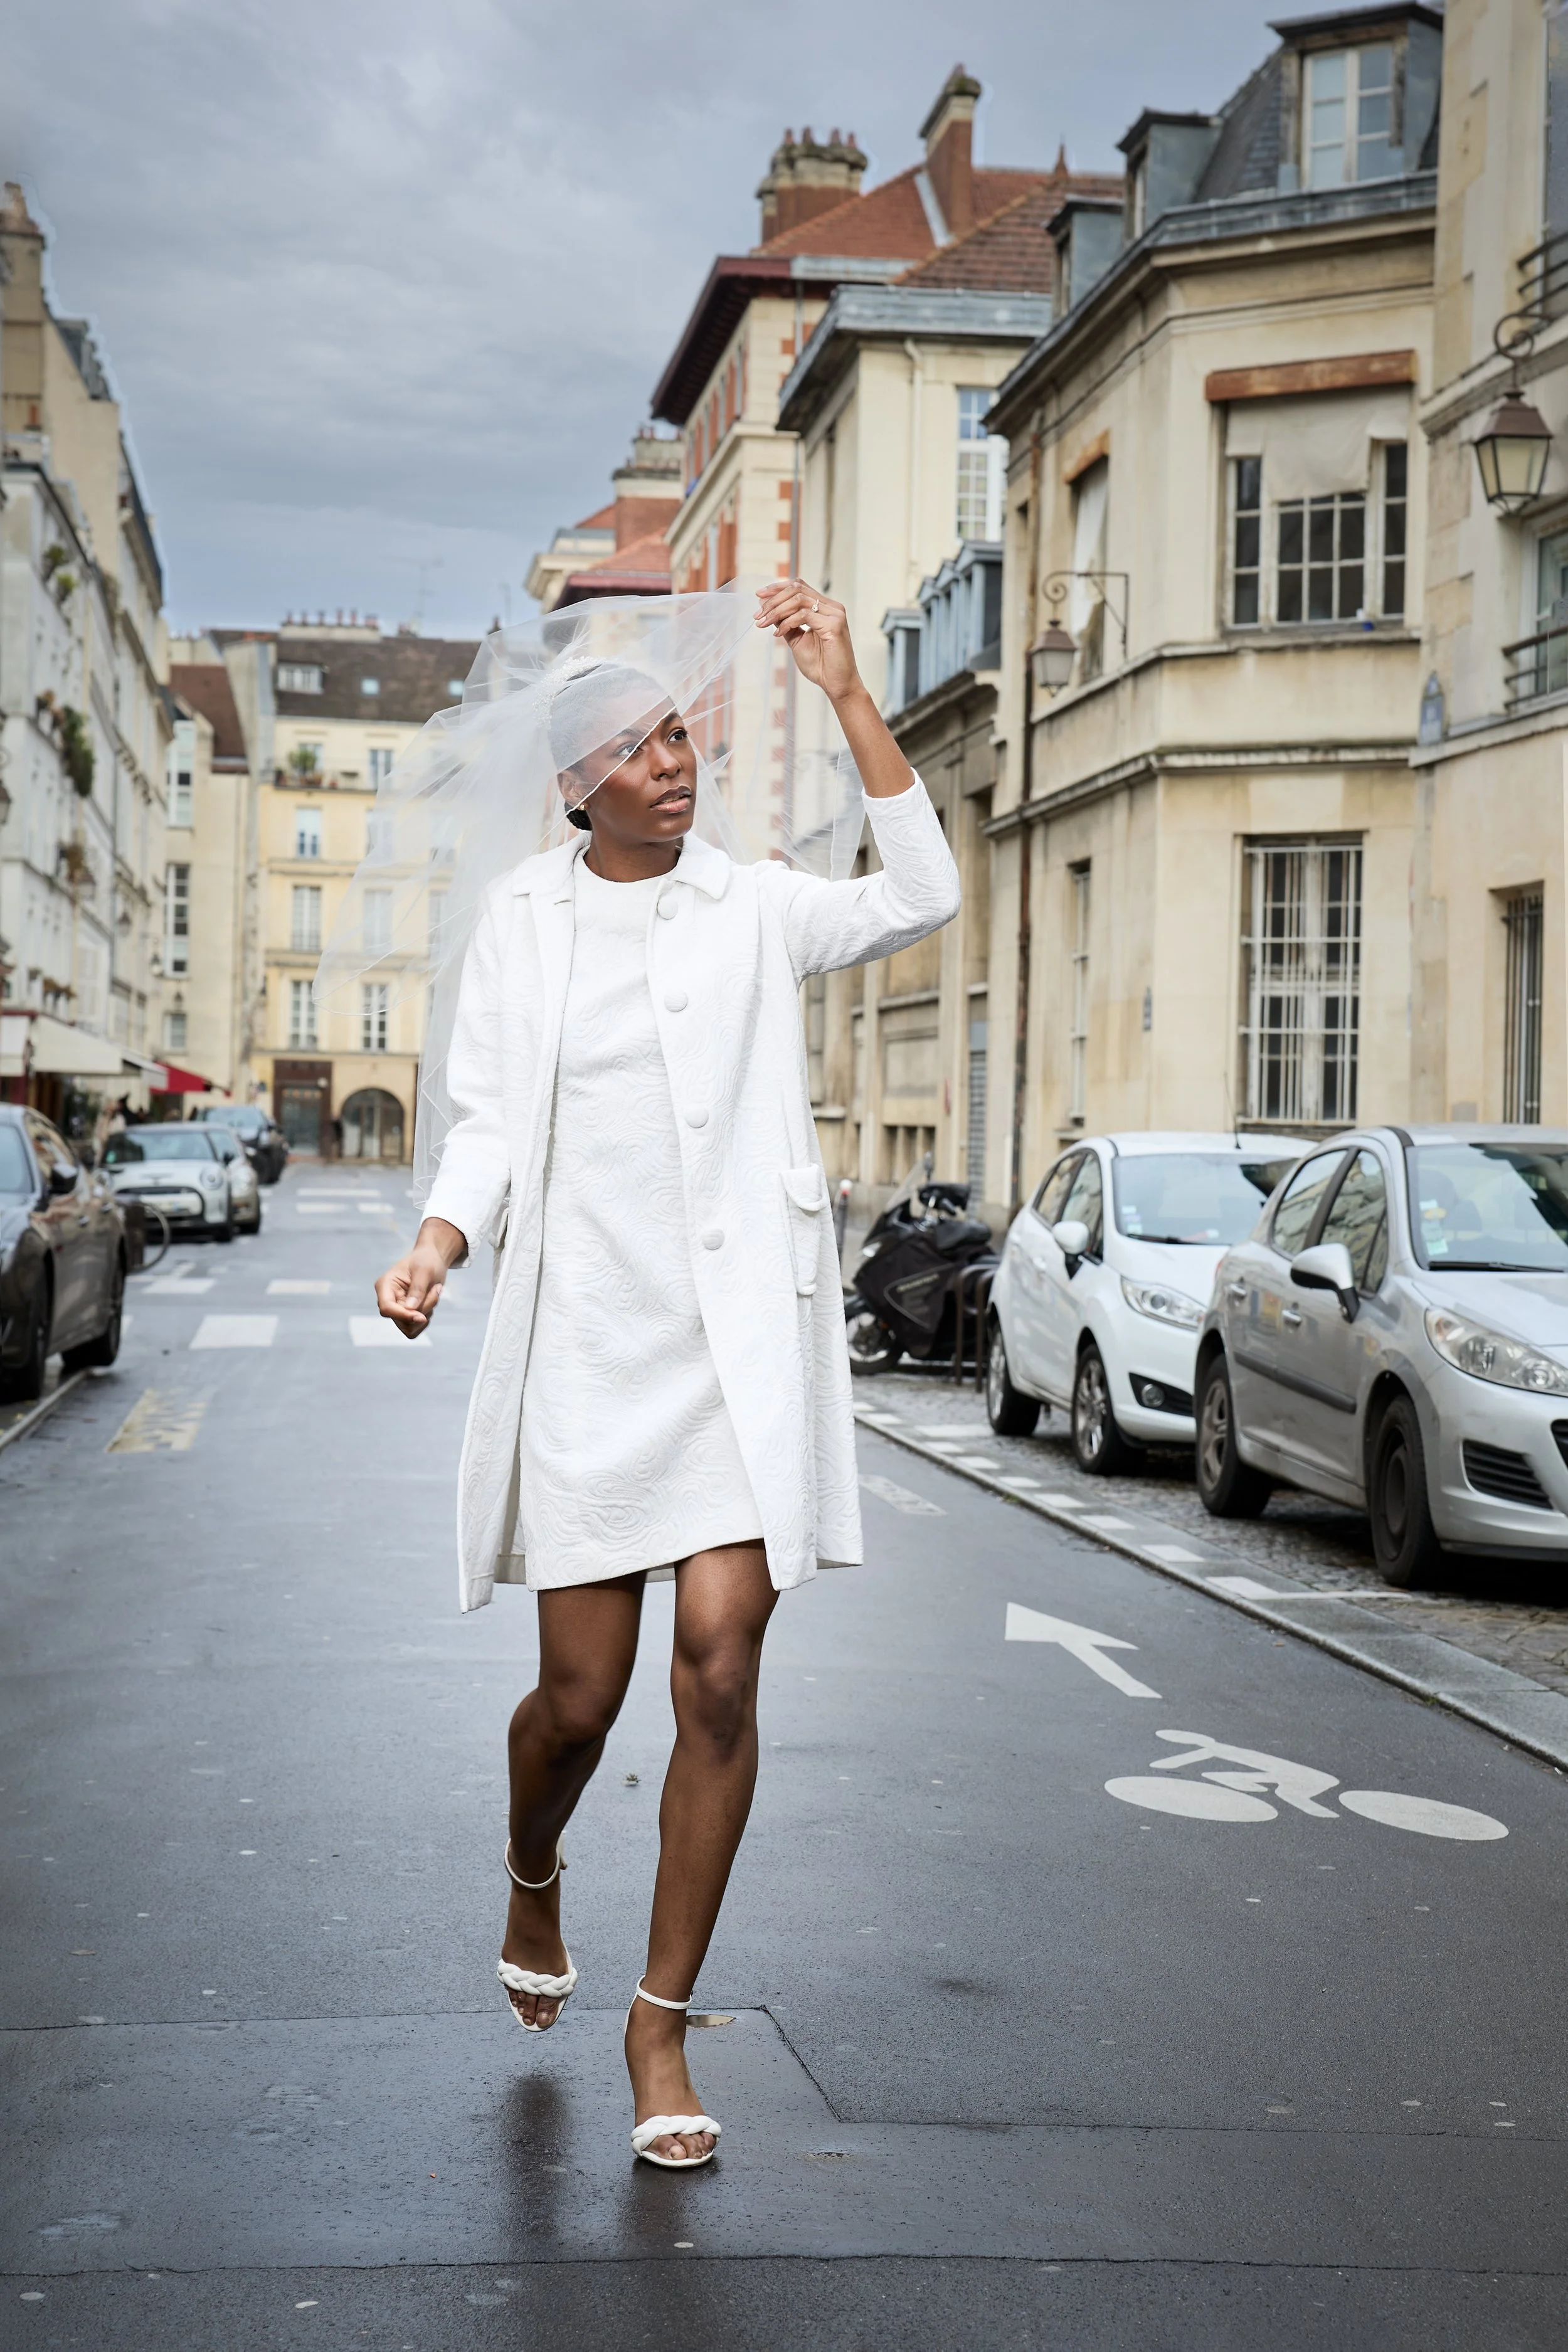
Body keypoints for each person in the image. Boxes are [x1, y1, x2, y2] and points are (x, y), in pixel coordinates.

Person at [373, 580, 960, 2169]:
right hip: (586, 1344)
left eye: (681, 734)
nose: (674, 763)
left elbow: (921, 891)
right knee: (577, 1703)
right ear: (575, 787)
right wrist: (436, 1245)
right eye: (636, 750)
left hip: (731, 1350)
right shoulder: (525, 920)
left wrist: (845, 691)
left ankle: (660, 2025)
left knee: (716, 1662)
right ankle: (532, 1866)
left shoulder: (753, 903)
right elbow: (487, 1120)